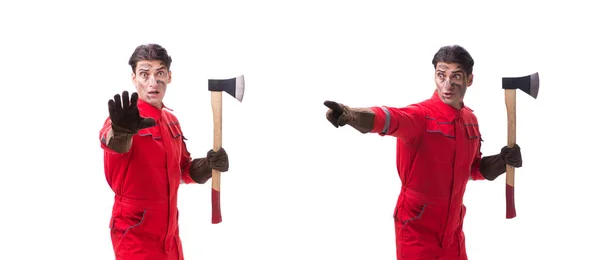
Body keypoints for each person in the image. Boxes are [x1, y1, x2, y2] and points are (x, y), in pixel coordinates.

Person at [323, 45, 523, 260]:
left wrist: (502, 162)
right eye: (441, 75)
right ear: (434, 76)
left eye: (456, 76)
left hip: (453, 229)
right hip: (416, 227)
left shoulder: (470, 121)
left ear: (470, 79)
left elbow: (471, 169)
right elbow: (389, 118)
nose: (447, 85)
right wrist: (352, 115)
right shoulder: (420, 117)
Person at [99, 43, 230, 260]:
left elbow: (182, 171)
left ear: (169, 77)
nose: (153, 82)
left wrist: (208, 165)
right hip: (134, 234)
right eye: (144, 74)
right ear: (133, 78)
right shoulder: (126, 120)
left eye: (159, 73)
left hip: (169, 234)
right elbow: (112, 143)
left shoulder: (171, 122)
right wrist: (121, 131)